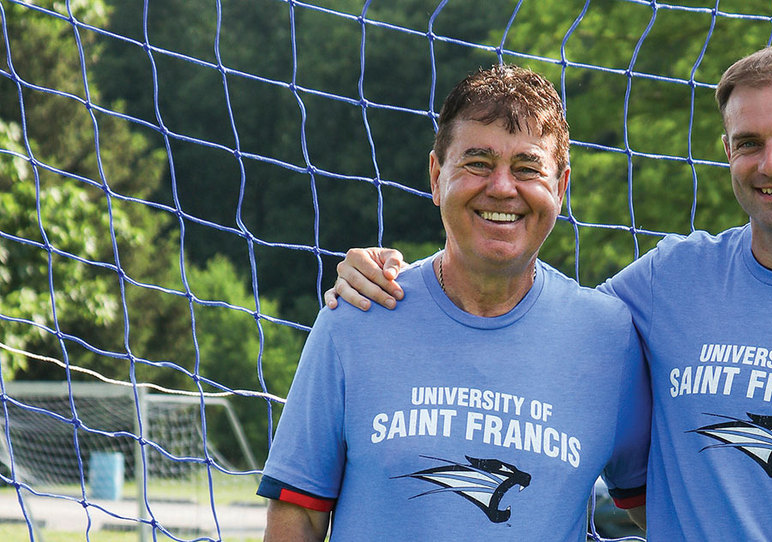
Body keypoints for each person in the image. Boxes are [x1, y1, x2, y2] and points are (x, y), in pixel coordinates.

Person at [325, 45, 772, 540]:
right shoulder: (670, 279)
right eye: (749, 143)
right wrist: (393, 278)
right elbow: (529, 312)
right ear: (730, 153)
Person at [257, 65, 651, 541]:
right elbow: (298, 516)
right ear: (436, 176)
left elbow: (663, 508)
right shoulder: (359, 312)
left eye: (527, 168)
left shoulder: (609, 337)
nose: (502, 187)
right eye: (478, 162)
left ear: (561, 187)